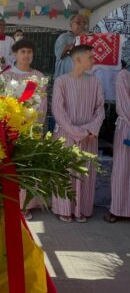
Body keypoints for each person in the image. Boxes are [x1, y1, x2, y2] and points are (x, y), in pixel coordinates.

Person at [52, 44, 105, 223]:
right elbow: (58, 111)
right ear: (77, 60)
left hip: (89, 137)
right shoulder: (61, 81)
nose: (93, 60)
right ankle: (64, 209)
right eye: (90, 57)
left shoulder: (95, 81)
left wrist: (90, 130)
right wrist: (77, 132)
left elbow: (100, 109)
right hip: (67, 135)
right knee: (66, 171)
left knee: (85, 173)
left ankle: (82, 209)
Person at [3, 39, 47, 220]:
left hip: (31, 128)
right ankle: (9, 202)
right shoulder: (6, 75)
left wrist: (35, 124)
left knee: (28, 165)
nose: (26, 55)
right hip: (12, 128)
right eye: (22, 52)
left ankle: (26, 204)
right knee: (12, 165)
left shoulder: (38, 76)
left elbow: (43, 104)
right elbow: (3, 102)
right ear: (14, 54)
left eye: (29, 52)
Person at [105, 61, 130, 223]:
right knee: (122, 169)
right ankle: (118, 209)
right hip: (127, 126)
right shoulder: (124, 76)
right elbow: (124, 105)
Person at [54, 14, 89, 79]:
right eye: (78, 22)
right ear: (71, 25)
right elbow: (60, 53)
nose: (82, 25)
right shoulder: (64, 37)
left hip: (81, 79)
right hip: (64, 79)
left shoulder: (88, 39)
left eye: (84, 22)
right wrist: (79, 39)